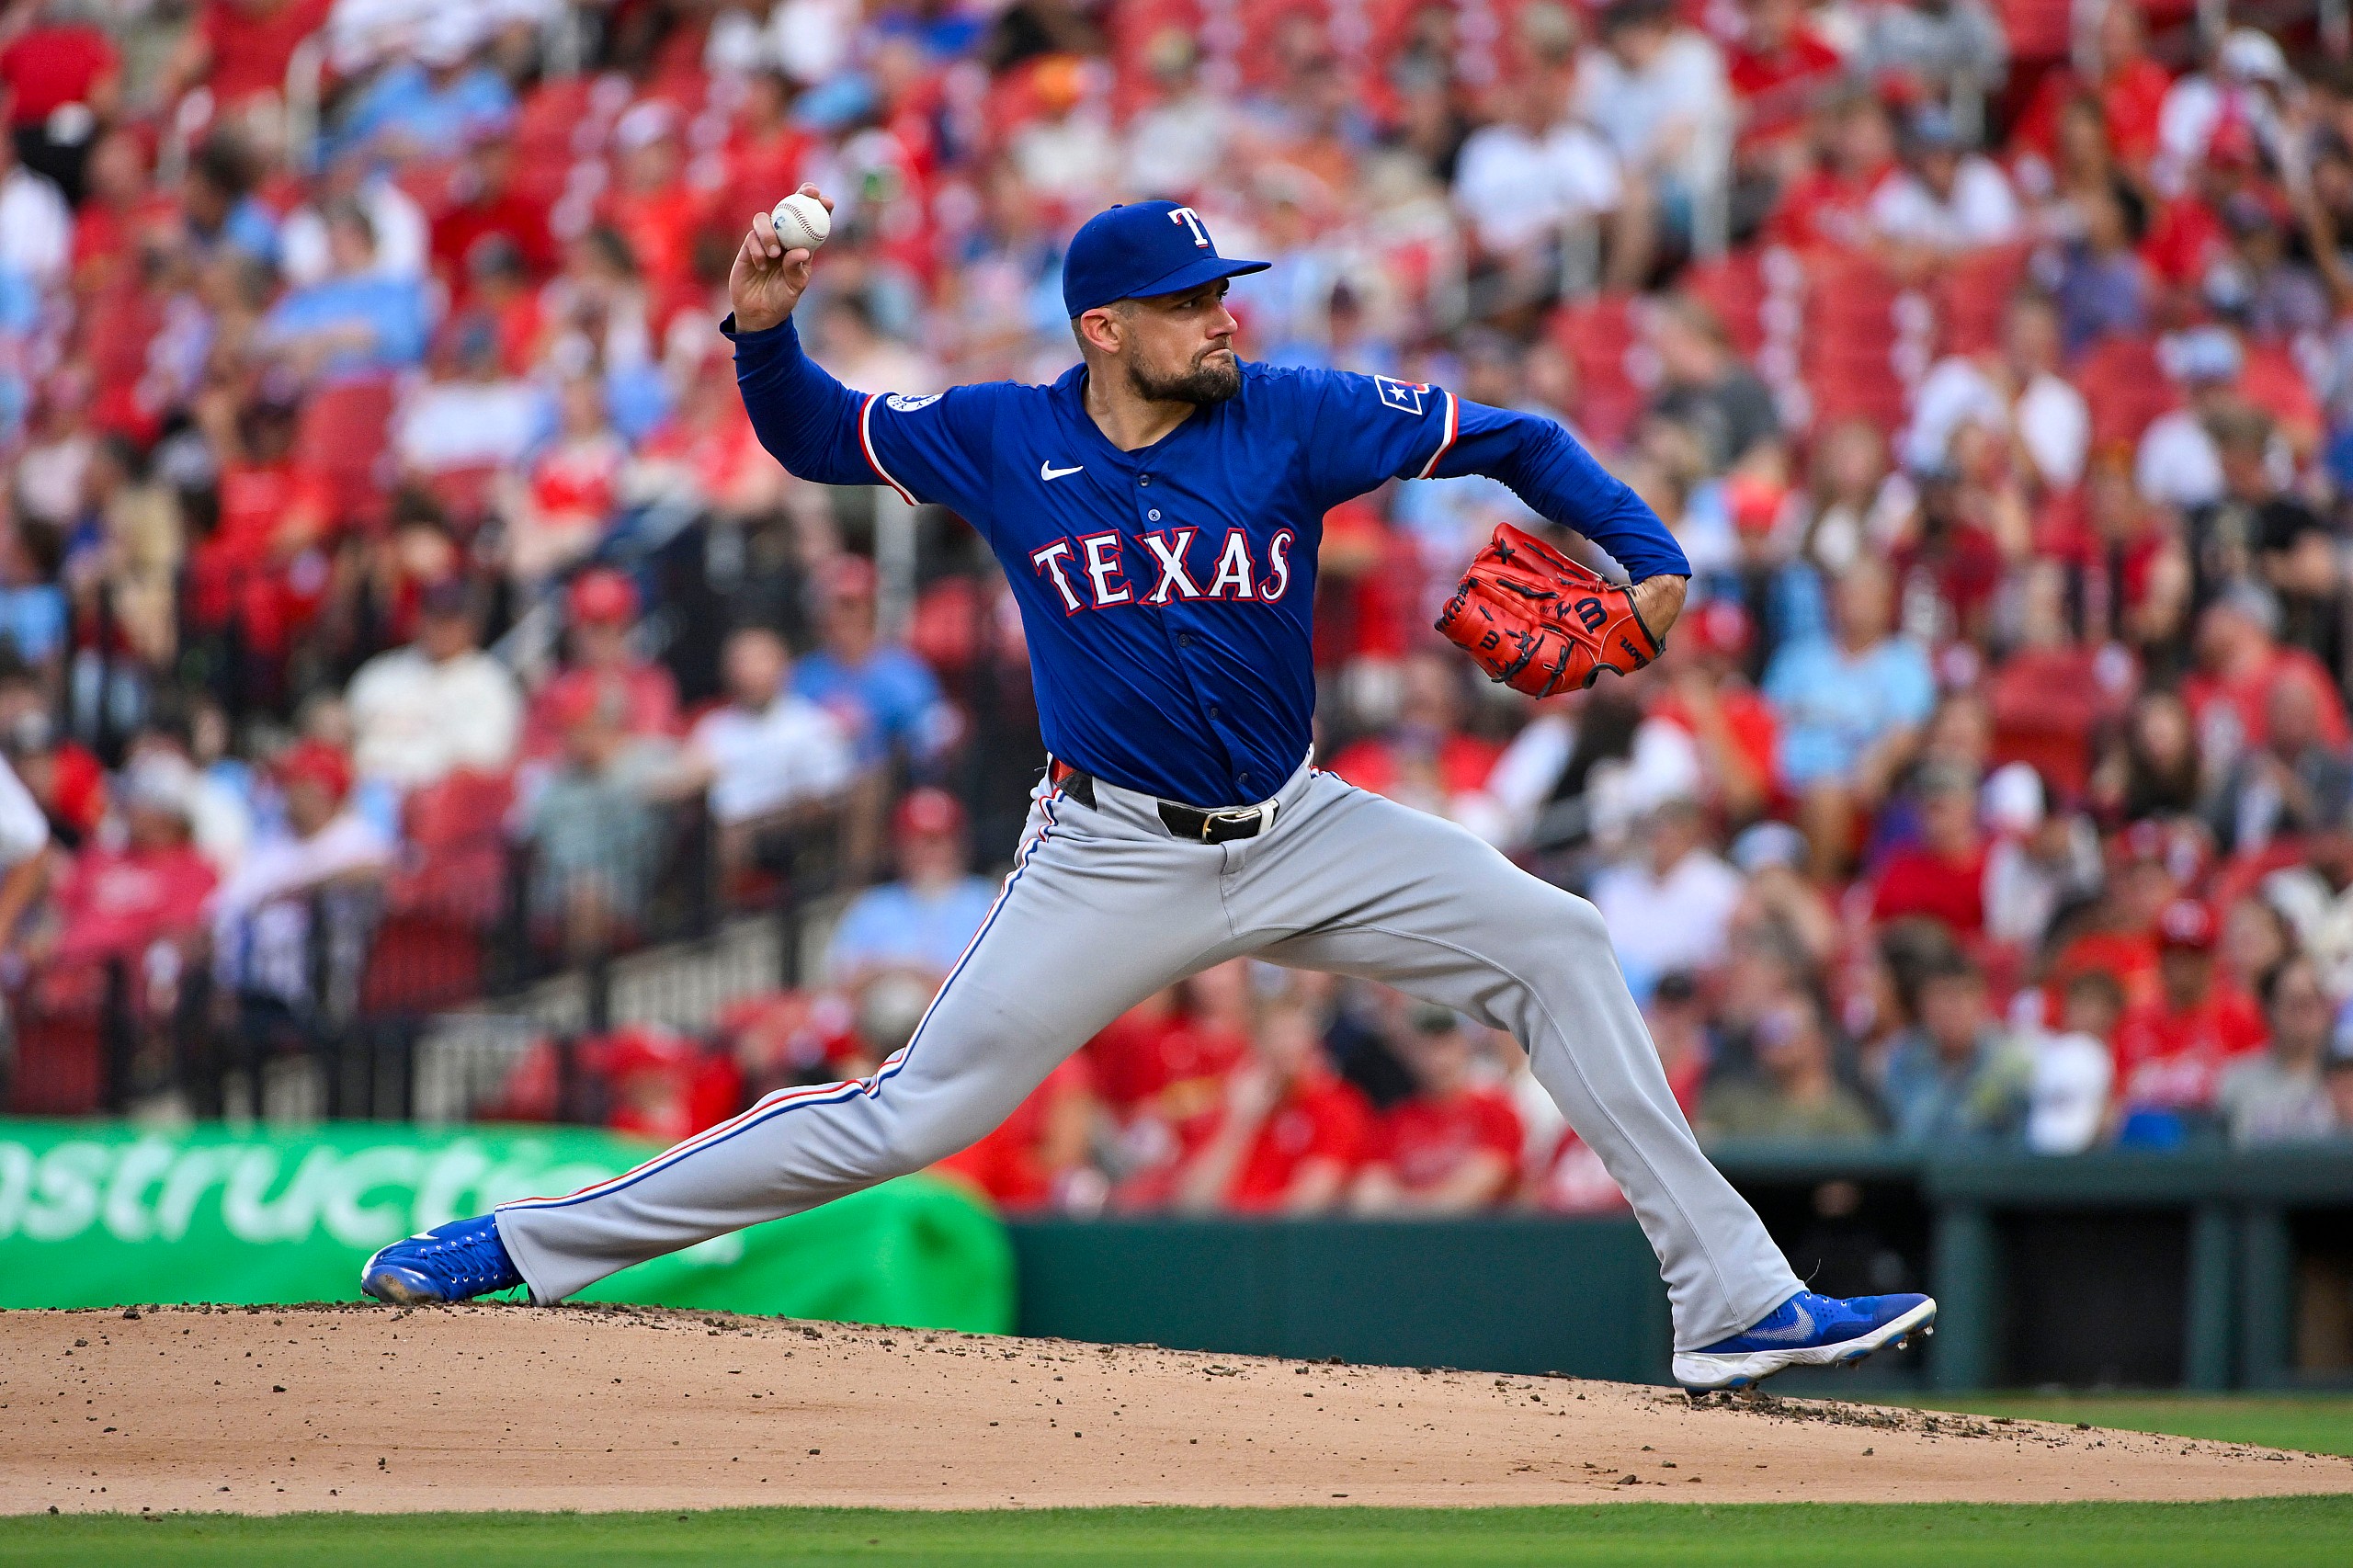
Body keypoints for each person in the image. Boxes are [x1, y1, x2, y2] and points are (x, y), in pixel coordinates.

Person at [367, 190, 1934, 1394]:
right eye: (1189, 302)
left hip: (1302, 824)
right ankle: (517, 1244)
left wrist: (1650, 557)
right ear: (1105, 327)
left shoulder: (1291, 412)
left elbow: (1512, 437)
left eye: (1221, 291)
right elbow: (814, 439)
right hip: (1109, 852)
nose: (1221, 317)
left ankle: (1733, 1302)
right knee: (907, 1113)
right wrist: (762, 334)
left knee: (1559, 943)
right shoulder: (1004, 433)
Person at [347, 577, 524, 792]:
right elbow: (345, 738)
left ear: (472, 625)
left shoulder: (491, 684)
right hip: (362, 791)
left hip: (434, 798)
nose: (440, 628)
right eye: (433, 616)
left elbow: (480, 765)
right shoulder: (381, 673)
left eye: (451, 619)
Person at [1349, 1004, 1523, 1214]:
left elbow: (1476, 1188)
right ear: (1410, 1053)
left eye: (1446, 1043)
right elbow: (1370, 1195)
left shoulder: (1496, 1112)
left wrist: (1404, 1204)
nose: (1438, 1059)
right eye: (1427, 1046)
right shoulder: (1394, 1121)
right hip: (1412, 1231)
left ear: (1464, 1045)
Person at [822, 787, 997, 990]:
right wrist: (891, 970)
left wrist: (921, 975)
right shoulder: (873, 905)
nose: (924, 852)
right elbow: (840, 982)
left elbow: (997, 981)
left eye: (935, 841)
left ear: (959, 844)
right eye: (913, 842)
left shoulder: (986, 900)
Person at [1879, 949, 2034, 1145]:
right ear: (1922, 1005)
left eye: (1960, 996)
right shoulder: (1903, 1061)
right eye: (1941, 997)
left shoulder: (2010, 1067)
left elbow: (2020, 1143)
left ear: (1981, 1002)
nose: (1950, 1009)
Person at [1697, 994, 1878, 1142]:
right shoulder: (1730, 1103)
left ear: (1817, 1041)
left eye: (1783, 1027)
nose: (1771, 1037)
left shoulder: (1845, 1116)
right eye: (1765, 1027)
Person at [2216, 955, 2338, 1146]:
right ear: (2269, 1008)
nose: (2304, 1014)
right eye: (2294, 1003)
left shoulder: (2344, 1078)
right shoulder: (2237, 1080)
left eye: (2312, 1001)